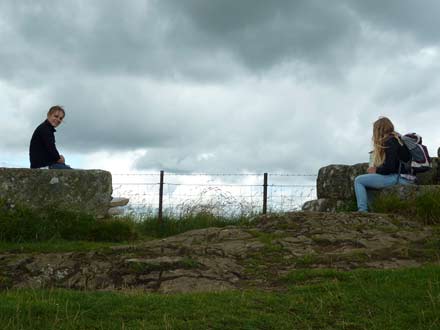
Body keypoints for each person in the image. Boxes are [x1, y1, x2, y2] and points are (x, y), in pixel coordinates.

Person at [354, 117, 413, 212]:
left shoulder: (390, 141)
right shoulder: (397, 139)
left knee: (359, 180)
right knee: (368, 184)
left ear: (379, 130)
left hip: (399, 178)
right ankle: (373, 211)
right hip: (406, 177)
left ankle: (362, 210)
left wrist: (376, 170)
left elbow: (390, 167)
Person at [29, 105, 72, 169]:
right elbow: (51, 147)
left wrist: (58, 158)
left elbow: (50, 149)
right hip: (42, 165)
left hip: (43, 164)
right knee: (72, 173)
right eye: (56, 116)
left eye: (60, 118)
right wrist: (59, 158)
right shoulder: (45, 129)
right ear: (49, 115)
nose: (58, 120)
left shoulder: (46, 128)